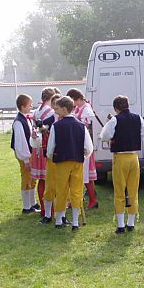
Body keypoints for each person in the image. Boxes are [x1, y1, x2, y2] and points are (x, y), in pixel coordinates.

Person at [100, 95, 144, 233]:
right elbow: (142, 134)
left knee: (119, 190)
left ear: (116, 108)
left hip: (120, 157)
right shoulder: (138, 118)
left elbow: (104, 136)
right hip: (133, 157)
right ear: (128, 105)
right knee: (133, 190)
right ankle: (131, 223)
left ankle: (120, 225)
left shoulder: (114, 120)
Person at [47, 96, 93, 231]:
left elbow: (50, 148)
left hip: (61, 162)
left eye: (58, 108)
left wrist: (52, 156)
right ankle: (75, 221)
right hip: (77, 161)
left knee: (61, 190)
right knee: (76, 190)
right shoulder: (81, 126)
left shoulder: (56, 126)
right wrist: (83, 155)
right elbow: (88, 148)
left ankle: (59, 219)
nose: (56, 111)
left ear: (64, 109)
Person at [67, 88, 99, 209]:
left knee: (86, 176)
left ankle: (93, 200)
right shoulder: (78, 108)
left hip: (84, 146)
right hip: (76, 145)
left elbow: (86, 125)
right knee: (76, 175)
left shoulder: (86, 109)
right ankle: (75, 199)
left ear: (77, 99)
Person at [10, 94, 39, 213]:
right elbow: (20, 142)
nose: (31, 107)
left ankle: (33, 202)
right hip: (24, 154)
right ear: (22, 107)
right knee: (26, 178)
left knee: (32, 178)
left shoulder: (25, 118)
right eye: (29, 105)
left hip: (29, 152)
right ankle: (26, 206)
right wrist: (26, 159)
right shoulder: (18, 122)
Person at [30, 87, 55, 216]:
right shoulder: (50, 112)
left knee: (41, 180)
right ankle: (50, 209)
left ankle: (44, 209)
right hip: (46, 147)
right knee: (48, 180)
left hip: (37, 148)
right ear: (51, 98)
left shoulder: (36, 112)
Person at [39, 93, 61, 224]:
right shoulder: (52, 118)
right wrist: (42, 129)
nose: (57, 109)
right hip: (53, 157)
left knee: (64, 187)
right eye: (55, 106)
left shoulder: (70, 119)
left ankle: (61, 215)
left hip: (66, 157)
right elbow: (41, 126)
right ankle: (48, 214)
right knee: (50, 185)